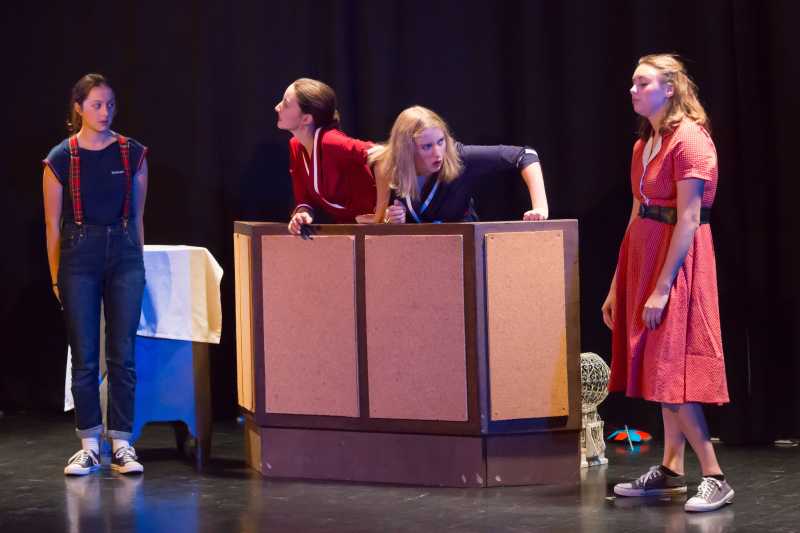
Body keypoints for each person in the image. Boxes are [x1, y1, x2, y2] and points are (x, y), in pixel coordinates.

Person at [601, 54, 733, 512]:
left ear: (670, 88)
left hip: (679, 261)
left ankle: (715, 476)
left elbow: (690, 218)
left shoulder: (690, 141)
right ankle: (672, 469)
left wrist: (662, 287)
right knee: (660, 369)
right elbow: (637, 211)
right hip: (643, 257)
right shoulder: (644, 144)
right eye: (633, 83)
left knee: (670, 370)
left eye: (643, 83)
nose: (633, 90)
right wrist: (618, 284)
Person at [43, 73, 148, 476]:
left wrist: (136, 261)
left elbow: (137, 217)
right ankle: (89, 443)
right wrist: (56, 276)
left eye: (110, 105)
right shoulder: (60, 158)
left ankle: (121, 442)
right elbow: (53, 225)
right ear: (79, 108)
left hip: (123, 254)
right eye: (96, 105)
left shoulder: (132, 153)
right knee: (85, 355)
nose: (105, 112)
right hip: (79, 255)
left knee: (122, 353)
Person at [367, 106, 548, 224]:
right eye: (427, 146)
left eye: (440, 141)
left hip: (464, 251)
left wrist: (540, 207)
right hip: (414, 257)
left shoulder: (460, 157)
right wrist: (390, 220)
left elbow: (526, 155)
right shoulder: (387, 165)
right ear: (406, 150)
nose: (438, 153)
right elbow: (380, 221)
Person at [275, 78, 376, 234]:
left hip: (376, 231)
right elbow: (303, 198)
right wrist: (302, 214)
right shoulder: (296, 146)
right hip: (348, 231)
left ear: (306, 118)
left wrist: (381, 212)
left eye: (286, 104)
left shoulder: (331, 141)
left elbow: (382, 154)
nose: (277, 107)